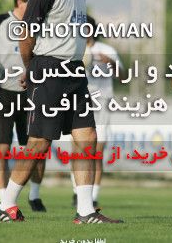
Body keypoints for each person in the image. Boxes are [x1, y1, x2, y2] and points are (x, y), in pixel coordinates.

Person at [0, 0, 122, 224]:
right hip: (48, 70)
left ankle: (86, 211)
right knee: (38, 144)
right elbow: (26, 34)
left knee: (88, 138)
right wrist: (31, 70)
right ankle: (6, 204)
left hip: (74, 72)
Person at [0, 0, 48, 213]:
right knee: (2, 149)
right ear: (20, 2)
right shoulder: (0, 24)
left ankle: (33, 196)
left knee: (36, 148)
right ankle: (3, 200)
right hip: (3, 94)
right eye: (33, 2)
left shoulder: (40, 26)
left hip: (31, 95)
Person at [70, 15, 124, 208]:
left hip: (101, 103)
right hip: (79, 100)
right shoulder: (73, 49)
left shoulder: (107, 50)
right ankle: (78, 193)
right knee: (78, 148)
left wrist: (110, 62)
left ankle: (93, 196)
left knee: (97, 152)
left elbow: (123, 76)